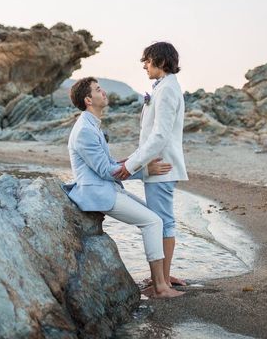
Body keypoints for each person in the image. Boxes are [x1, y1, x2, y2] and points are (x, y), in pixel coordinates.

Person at [63, 77, 184, 298]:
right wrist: (145, 171)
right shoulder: (84, 131)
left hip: (107, 188)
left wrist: (138, 162)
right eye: (98, 90)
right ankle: (160, 287)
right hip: (97, 193)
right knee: (153, 221)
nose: (104, 92)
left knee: (153, 218)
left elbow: (108, 165)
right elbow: (103, 170)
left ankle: (159, 281)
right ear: (89, 99)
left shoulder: (91, 125)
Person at [114, 42, 189, 288]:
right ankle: (163, 277)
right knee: (161, 221)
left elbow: (160, 136)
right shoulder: (163, 88)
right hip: (156, 164)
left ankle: (163, 280)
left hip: (161, 166)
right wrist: (132, 160)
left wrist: (133, 164)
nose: (144, 66)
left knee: (162, 222)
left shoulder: (167, 90)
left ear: (161, 61)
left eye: (147, 61)